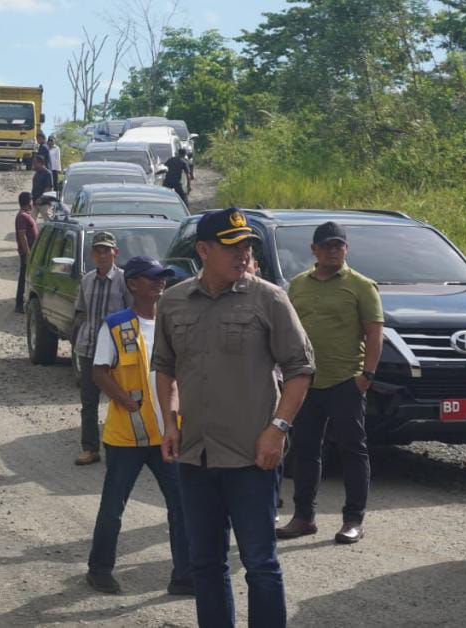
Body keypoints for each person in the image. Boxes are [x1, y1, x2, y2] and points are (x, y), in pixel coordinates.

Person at [154, 208, 315, 628]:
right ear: (204, 250)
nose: (244, 253)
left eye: (247, 246)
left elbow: (300, 370)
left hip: (252, 456)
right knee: (205, 563)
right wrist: (170, 422)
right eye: (234, 246)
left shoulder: (269, 298)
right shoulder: (173, 301)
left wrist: (277, 429)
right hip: (195, 457)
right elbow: (165, 368)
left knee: (260, 563)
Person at [86, 256, 193, 596]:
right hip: (126, 436)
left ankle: (184, 575)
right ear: (132, 284)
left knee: (181, 508)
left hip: (167, 434)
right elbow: (99, 371)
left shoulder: (173, 322)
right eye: (152, 278)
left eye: (163, 277)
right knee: (113, 507)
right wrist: (126, 400)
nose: (160, 282)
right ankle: (99, 569)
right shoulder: (116, 325)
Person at [277, 222, 383, 545]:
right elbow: (288, 331)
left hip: (345, 382)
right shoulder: (297, 286)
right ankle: (304, 517)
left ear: (346, 249)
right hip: (306, 383)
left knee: (353, 450)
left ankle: (353, 520)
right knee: (306, 450)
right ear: (314, 250)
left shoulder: (362, 286)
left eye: (339, 246)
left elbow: (375, 333)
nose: (333, 251)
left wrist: (366, 378)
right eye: (327, 246)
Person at [72, 231, 132, 466]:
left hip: (116, 353)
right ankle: (90, 448)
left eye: (107, 250)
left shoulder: (125, 281)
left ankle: (126, 447)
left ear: (115, 253)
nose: (102, 255)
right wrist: (76, 339)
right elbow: (80, 312)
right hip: (89, 348)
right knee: (88, 402)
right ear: (92, 254)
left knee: (122, 399)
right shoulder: (86, 280)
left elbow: (132, 316)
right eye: (98, 250)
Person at [14, 192, 39, 314]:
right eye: (31, 200)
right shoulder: (22, 217)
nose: (32, 203)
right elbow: (22, 235)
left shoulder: (25, 215)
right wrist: (28, 253)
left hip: (31, 252)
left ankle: (25, 302)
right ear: (27, 202)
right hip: (26, 253)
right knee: (24, 277)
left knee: (27, 276)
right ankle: (19, 304)